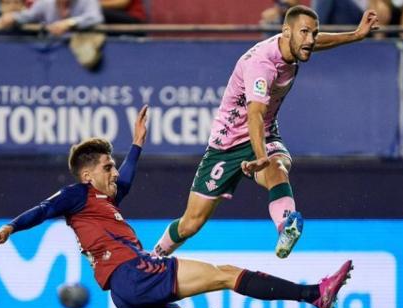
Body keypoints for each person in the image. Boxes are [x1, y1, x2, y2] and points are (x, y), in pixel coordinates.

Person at [0, 106, 354, 308]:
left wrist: (137, 144)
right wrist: (10, 226)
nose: (113, 171)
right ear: (88, 174)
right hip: (132, 273)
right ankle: (314, 294)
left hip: (125, 293)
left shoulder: (102, 201)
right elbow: (44, 209)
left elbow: (127, 181)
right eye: (107, 167)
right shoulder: (78, 194)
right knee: (225, 276)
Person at [151, 5, 379, 259]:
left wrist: (356, 35)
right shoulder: (262, 65)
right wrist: (260, 156)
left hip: (266, 133)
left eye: (313, 33)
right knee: (191, 223)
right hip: (228, 145)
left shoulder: (295, 44)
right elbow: (255, 115)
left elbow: (315, 41)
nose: (310, 40)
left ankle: (286, 226)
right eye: (304, 33)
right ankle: (154, 256)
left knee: (277, 167)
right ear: (285, 32)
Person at [0, 0, 103, 36]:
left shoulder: (87, 1)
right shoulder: (46, 3)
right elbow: (27, 16)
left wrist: (69, 23)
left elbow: (96, 18)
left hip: (81, 50)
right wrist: (12, 18)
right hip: (53, 50)